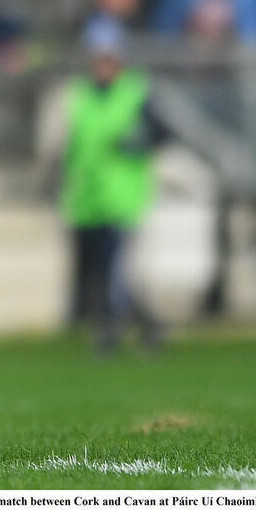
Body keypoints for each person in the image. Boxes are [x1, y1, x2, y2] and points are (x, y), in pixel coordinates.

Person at [57, 17, 165, 355]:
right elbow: (73, 144)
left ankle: (111, 333)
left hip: (121, 196)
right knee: (95, 274)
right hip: (87, 198)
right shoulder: (80, 95)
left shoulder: (137, 92)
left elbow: (162, 133)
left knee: (113, 274)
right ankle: (144, 326)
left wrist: (139, 142)